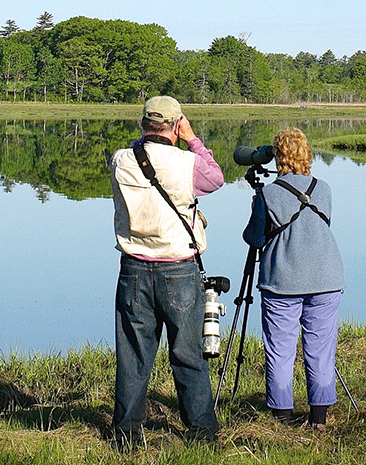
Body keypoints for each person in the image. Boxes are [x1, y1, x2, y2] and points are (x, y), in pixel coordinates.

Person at [108, 95, 224, 447]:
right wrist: (193, 139)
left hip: (133, 268)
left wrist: (144, 141)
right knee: (188, 355)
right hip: (178, 270)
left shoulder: (121, 160)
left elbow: (134, 150)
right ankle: (202, 433)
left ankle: (126, 436)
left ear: (142, 124)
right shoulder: (187, 162)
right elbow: (216, 179)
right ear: (175, 125)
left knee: (133, 355)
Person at [241, 128, 343, 430]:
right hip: (326, 278)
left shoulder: (268, 193)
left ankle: (282, 418)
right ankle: (318, 420)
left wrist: (256, 200)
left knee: (280, 349)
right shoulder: (323, 188)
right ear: (307, 154)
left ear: (278, 157)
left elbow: (255, 238)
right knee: (321, 349)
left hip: (282, 281)